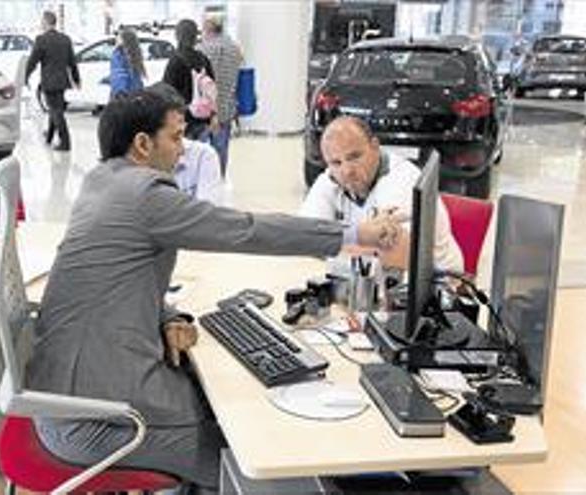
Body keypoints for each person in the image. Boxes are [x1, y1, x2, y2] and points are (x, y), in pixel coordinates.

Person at [27, 91, 402, 492]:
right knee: (255, 452)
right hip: (97, 423)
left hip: (66, 400)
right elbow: (245, 230)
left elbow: (114, 281)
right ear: (142, 144)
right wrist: (354, 234)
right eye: (176, 137)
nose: (183, 151)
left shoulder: (100, 183)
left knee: (224, 399)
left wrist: (167, 316)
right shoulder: (144, 194)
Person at [300, 116, 464, 273]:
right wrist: (362, 240)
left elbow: (395, 255)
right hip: (372, 279)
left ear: (375, 146)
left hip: (439, 283)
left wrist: (329, 239)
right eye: (336, 162)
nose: (347, 171)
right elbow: (303, 236)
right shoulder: (331, 178)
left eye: (354, 157)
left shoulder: (403, 180)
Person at [26, 11, 80, 152]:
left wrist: (24, 77)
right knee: (55, 109)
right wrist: (76, 79)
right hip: (62, 82)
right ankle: (49, 137)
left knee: (56, 111)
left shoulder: (41, 40)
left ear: (45, 22)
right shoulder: (65, 39)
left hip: (49, 82)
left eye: (41, 22)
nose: (40, 24)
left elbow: (32, 62)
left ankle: (65, 142)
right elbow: (72, 62)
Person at [198, 15, 244, 177]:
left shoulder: (202, 49)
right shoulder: (235, 48)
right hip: (227, 107)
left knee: (201, 150)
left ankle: (204, 181)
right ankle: (219, 178)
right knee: (221, 148)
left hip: (205, 109)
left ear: (208, 29)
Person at [162, 19, 215, 140]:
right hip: (203, 116)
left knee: (183, 156)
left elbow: (167, 91)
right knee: (199, 155)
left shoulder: (175, 60)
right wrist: (213, 114)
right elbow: (212, 88)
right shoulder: (203, 59)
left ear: (177, 35)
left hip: (182, 119)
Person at [109, 28, 146, 99]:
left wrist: (120, 93)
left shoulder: (119, 53)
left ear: (124, 40)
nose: (116, 39)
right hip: (135, 93)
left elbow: (119, 73)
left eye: (119, 37)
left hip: (123, 95)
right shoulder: (135, 53)